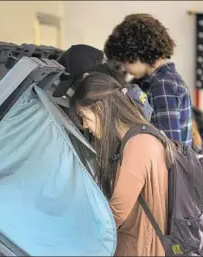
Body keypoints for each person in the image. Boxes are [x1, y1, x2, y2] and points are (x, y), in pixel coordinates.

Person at [69, 72, 175, 256]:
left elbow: (116, 213)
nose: (85, 125)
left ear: (101, 109)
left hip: (140, 248)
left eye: (84, 116)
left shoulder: (138, 145)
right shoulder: (140, 137)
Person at [104, 13, 193, 146]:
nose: (124, 68)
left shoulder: (162, 85)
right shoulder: (152, 82)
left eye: (124, 61)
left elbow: (170, 146)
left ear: (136, 53)